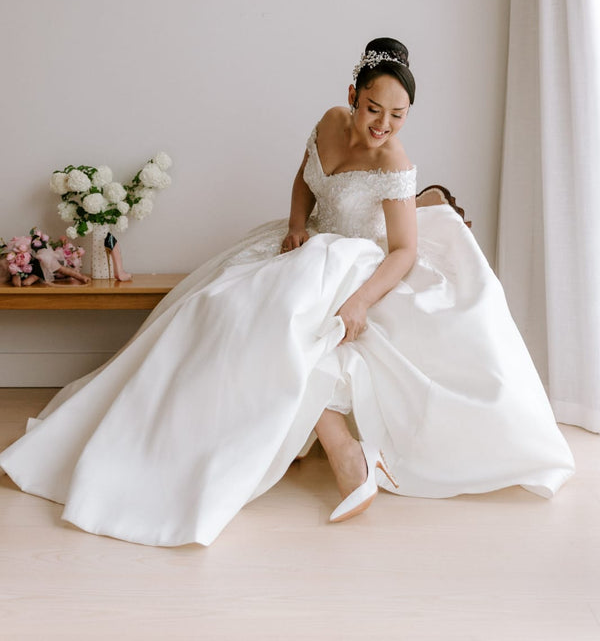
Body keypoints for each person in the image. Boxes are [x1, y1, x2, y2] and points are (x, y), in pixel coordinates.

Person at [0, 39, 574, 547]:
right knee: (213, 305)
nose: (383, 125)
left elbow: (403, 250)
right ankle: (171, 443)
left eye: (398, 116)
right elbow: (304, 178)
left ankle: (343, 451)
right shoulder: (327, 123)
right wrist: (297, 224)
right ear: (352, 94)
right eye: (374, 108)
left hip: (357, 259)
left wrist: (359, 301)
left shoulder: (393, 160)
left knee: (280, 319)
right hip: (310, 243)